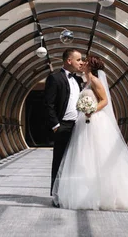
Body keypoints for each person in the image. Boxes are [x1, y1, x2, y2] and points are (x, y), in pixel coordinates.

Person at [52, 55, 128, 210]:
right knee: (85, 158)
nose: (82, 63)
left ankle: (106, 194)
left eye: (85, 62)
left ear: (90, 66)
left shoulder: (95, 80)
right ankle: (88, 194)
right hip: (84, 123)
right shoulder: (85, 82)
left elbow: (104, 100)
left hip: (96, 121)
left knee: (99, 155)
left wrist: (91, 110)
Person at [44, 48, 84, 197]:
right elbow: (49, 104)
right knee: (60, 160)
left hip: (79, 125)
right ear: (69, 60)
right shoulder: (54, 78)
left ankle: (73, 194)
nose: (81, 62)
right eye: (78, 59)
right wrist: (56, 126)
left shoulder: (79, 80)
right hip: (63, 125)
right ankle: (56, 194)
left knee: (77, 160)